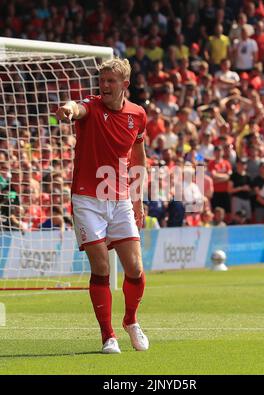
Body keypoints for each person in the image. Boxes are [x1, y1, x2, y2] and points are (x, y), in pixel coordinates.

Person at [56, 58, 149, 354]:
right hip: (87, 199)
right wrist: (68, 110)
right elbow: (77, 107)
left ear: (125, 85)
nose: (104, 85)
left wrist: (138, 199)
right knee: (101, 266)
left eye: (111, 81)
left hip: (120, 199)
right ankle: (108, 336)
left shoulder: (138, 114)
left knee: (134, 268)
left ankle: (131, 321)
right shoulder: (91, 107)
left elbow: (139, 159)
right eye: (102, 80)